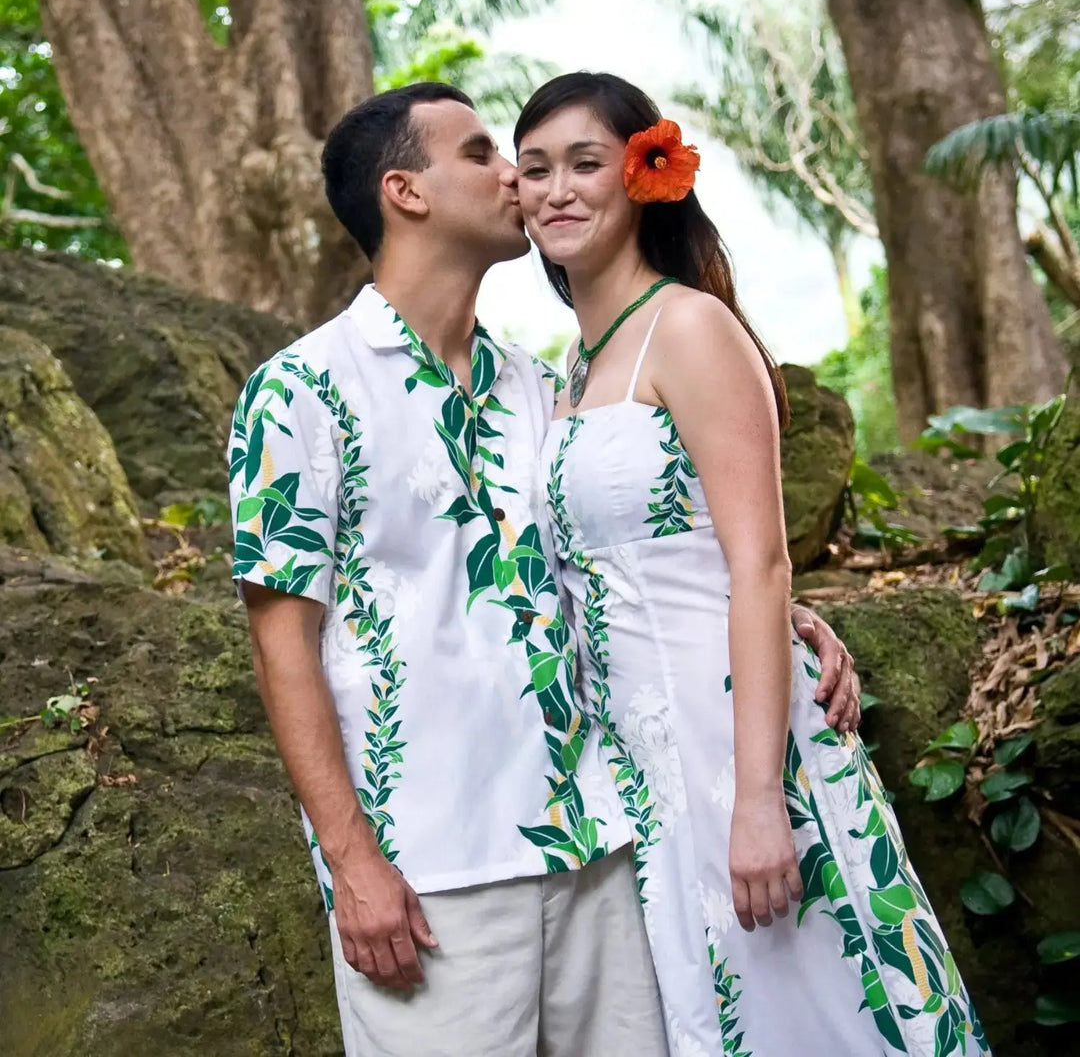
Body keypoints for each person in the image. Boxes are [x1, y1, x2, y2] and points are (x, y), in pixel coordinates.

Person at [227, 80, 862, 1057]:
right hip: (432, 878)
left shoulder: (540, 387)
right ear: (407, 192)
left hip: (600, 851)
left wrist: (779, 616)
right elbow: (283, 646)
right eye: (486, 154)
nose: (518, 179)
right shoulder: (300, 391)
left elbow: (627, 547)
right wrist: (353, 864)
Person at [514, 71, 990, 1057]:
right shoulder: (578, 366)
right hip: (644, 768)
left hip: (736, 745)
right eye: (534, 169)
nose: (556, 189)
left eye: (585, 163)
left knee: (815, 1012)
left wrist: (761, 800)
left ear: (645, 176)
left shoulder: (688, 327)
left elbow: (759, 561)